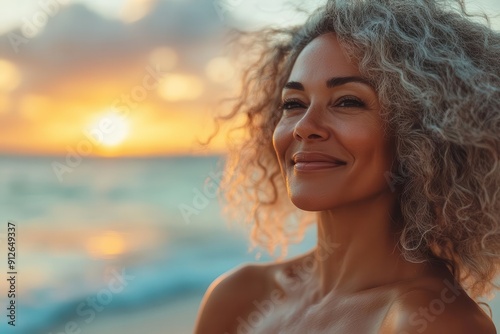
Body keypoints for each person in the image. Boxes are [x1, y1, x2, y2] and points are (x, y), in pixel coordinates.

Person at [194, 0, 500, 333]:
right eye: (293, 104)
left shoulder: (430, 321)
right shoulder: (239, 296)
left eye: (347, 101)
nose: (304, 126)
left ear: (423, 131)